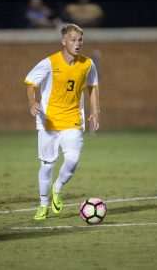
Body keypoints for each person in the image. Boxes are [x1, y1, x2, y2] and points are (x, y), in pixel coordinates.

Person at [24, 23, 100, 220]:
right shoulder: (50, 62)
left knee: (73, 159)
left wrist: (96, 111)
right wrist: (32, 102)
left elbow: (93, 86)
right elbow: (31, 83)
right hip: (48, 122)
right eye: (73, 40)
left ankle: (57, 187)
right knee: (47, 164)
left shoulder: (87, 64)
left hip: (73, 119)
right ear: (63, 41)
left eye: (80, 40)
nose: (77, 44)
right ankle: (42, 204)